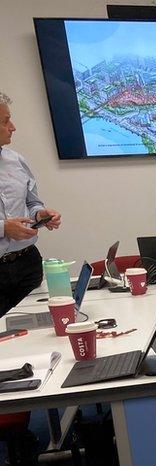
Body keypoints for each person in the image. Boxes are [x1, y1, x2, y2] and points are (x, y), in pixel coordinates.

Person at [0, 92, 61, 317]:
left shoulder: (16, 160)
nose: (13, 127)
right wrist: (4, 228)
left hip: (27, 266)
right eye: (5, 121)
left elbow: (32, 203)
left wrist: (40, 215)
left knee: (36, 334)